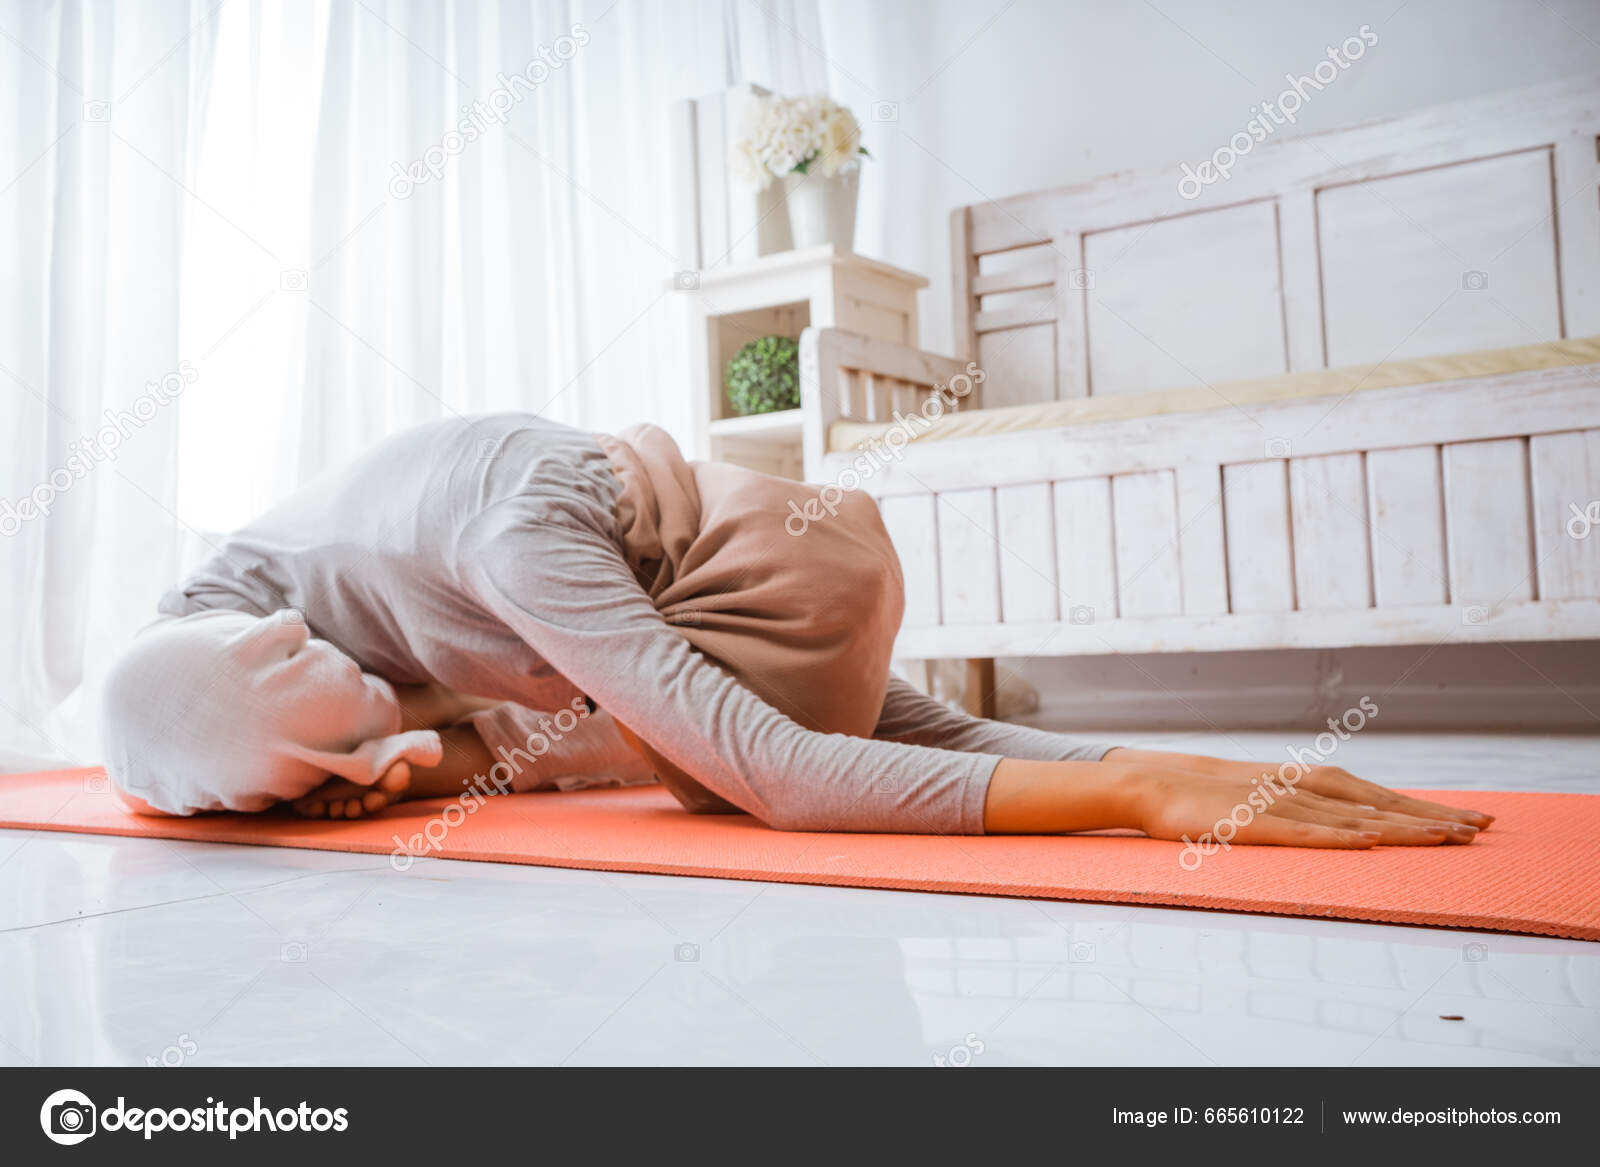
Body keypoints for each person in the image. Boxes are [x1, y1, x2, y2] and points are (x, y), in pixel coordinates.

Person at [100, 413, 1491, 848]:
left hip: (739, 556)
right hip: (634, 567)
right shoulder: (236, 604)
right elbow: (146, 725)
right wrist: (1127, 766)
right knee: (633, 742)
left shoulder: (515, 552)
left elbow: (784, 765)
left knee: (700, 760)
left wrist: (1133, 783)